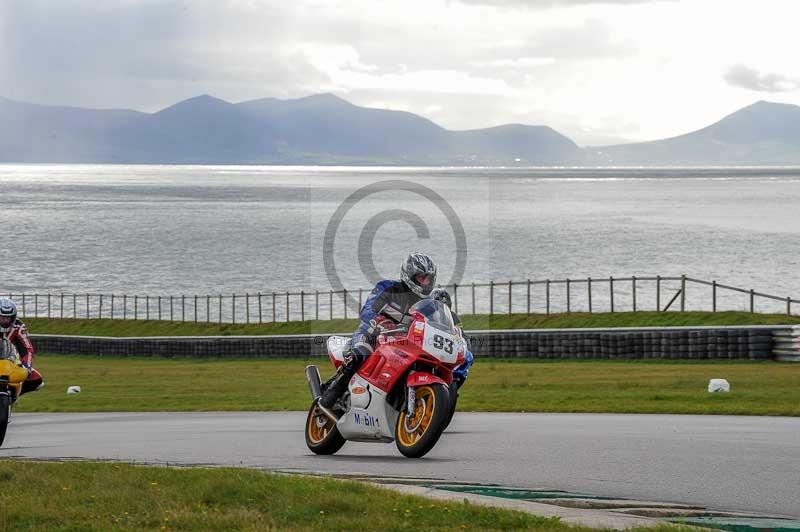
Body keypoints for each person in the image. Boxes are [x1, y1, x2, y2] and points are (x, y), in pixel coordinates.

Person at [319, 252, 437, 409]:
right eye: (422, 277)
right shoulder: (388, 288)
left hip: (403, 343)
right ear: (410, 275)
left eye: (428, 278)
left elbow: (433, 324)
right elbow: (368, 309)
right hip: (372, 334)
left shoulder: (427, 304)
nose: (426, 282)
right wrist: (380, 320)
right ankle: (332, 392)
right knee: (361, 352)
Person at [430, 288, 474, 390]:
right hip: (432, 347)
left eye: (445, 304)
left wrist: (467, 346)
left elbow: (460, 333)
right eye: (440, 304)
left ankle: (453, 389)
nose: (442, 307)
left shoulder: (453, 316)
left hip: (447, 347)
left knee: (466, 364)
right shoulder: (429, 315)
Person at [0, 298, 44, 395]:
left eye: (8, 318)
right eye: (2, 318)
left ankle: (11, 396)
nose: (5, 321)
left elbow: (27, 349)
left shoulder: (19, 326)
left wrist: (27, 367)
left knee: (37, 380)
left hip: (9, 360)